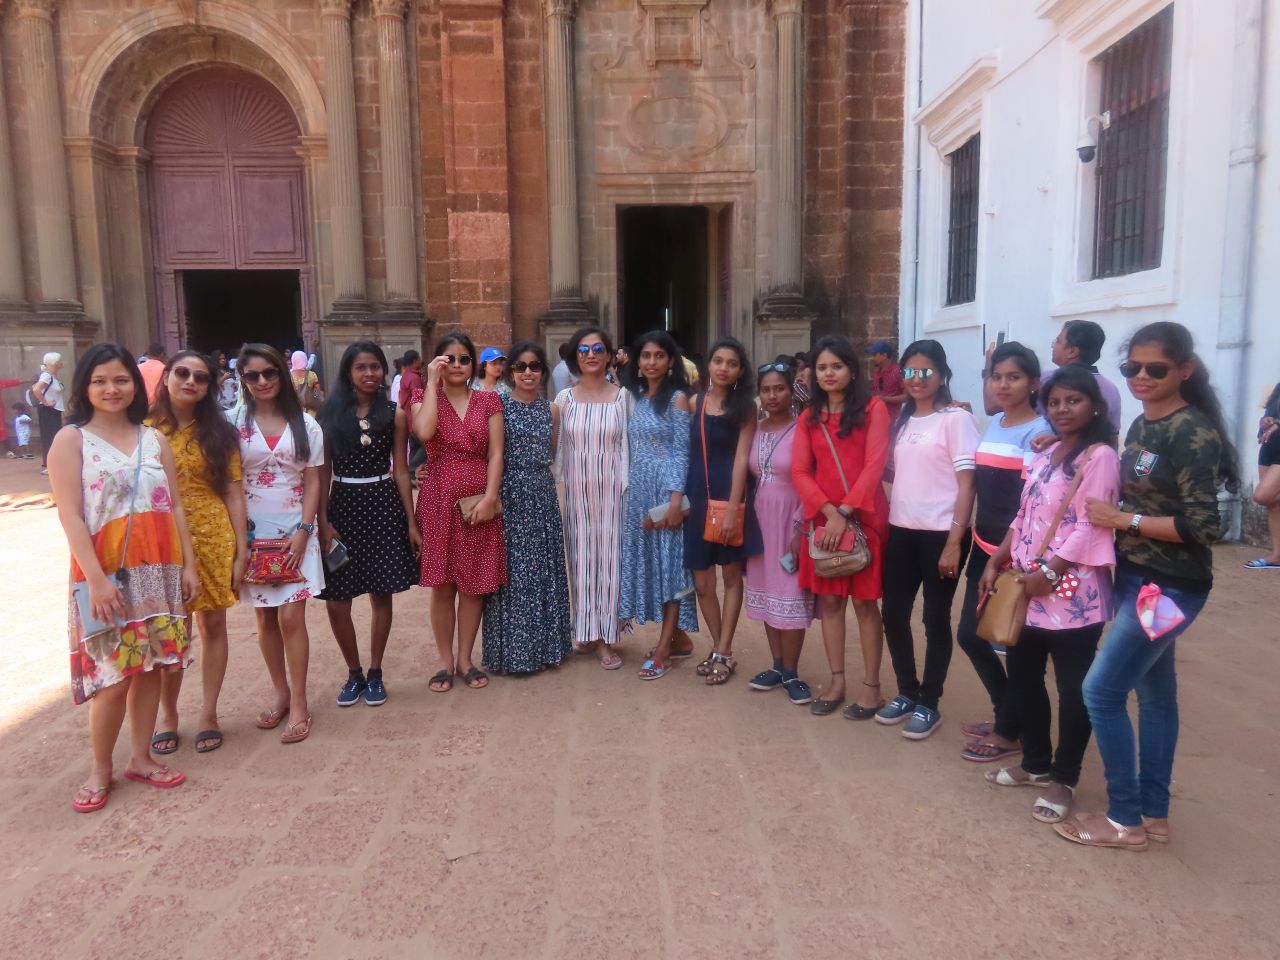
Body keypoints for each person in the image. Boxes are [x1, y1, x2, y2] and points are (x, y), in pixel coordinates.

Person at [1057, 321, 1239, 851]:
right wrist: (1064, 444)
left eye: (1155, 369)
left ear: (1185, 370)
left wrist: (1124, 521)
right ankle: (1153, 814)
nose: (1141, 376)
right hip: (1136, 578)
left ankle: (1124, 819)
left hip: (1168, 588)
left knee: (1101, 691)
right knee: (1156, 696)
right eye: (1131, 367)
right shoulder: (1142, 423)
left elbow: (1205, 525)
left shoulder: (1191, 431)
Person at [48, 343, 199, 812]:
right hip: (106, 576)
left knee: (152, 666)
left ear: (135, 385)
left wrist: (188, 565)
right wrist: (95, 580)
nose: (111, 389)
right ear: (84, 387)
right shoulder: (71, 440)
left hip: (159, 570)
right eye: (100, 381)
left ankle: (140, 757)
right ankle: (100, 769)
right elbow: (70, 515)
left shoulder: (153, 439)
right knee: (112, 677)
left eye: (120, 379)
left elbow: (175, 506)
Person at [978, 366, 1120, 824]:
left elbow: (1093, 523)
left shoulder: (1099, 457)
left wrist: (1052, 570)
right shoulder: (1045, 452)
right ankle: (1036, 762)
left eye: (1073, 400)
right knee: (1023, 677)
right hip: (1027, 583)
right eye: (1055, 402)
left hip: (1074, 593)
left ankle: (1064, 777)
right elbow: (1023, 515)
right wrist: (997, 558)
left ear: (1094, 406)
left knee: (1073, 689)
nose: (1062, 409)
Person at [954, 342, 1052, 762]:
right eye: (997, 376)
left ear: (1034, 382)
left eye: (1014, 377)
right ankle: (1007, 717)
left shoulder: (1040, 433)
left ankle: (1013, 732)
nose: (1003, 384)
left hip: (1015, 554)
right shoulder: (995, 422)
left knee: (1012, 642)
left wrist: (1006, 556)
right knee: (972, 635)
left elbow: (1033, 504)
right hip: (984, 546)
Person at [877, 339, 979, 739]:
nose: (916, 379)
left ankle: (929, 702)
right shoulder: (903, 420)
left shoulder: (956, 419)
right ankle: (907, 690)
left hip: (942, 534)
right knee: (893, 613)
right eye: (909, 371)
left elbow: (967, 484)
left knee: (934, 618)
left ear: (942, 375)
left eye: (925, 372)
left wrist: (955, 540)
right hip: (902, 530)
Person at [148, 351, 248, 755]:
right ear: (166, 377)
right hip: (160, 539)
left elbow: (233, 493)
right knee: (170, 631)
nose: (190, 381)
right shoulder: (143, 429)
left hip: (212, 536)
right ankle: (168, 716)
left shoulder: (220, 433)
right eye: (182, 373)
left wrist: (241, 551)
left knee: (213, 627)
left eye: (201, 377)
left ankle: (209, 713)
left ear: (210, 386)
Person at [791, 336, 891, 716]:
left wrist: (844, 512)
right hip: (824, 520)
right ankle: (836, 682)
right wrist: (828, 511)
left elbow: (875, 465)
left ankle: (871, 688)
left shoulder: (873, 409)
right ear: (813, 373)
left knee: (865, 603)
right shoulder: (808, 418)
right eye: (822, 367)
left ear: (851, 369)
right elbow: (800, 472)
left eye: (837, 366)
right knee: (831, 601)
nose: (829, 373)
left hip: (864, 518)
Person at [317, 341, 420, 707]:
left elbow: (402, 470)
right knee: (337, 599)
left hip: (383, 505)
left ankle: (375, 672)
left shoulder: (394, 414)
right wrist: (322, 521)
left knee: (381, 591)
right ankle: (354, 672)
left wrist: (411, 521)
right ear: (348, 372)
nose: (369, 373)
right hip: (342, 507)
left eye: (375, 366)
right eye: (361, 367)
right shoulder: (329, 415)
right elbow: (322, 471)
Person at [233, 343, 325, 745]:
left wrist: (305, 528)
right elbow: (231, 483)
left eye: (269, 372)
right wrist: (239, 539)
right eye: (252, 375)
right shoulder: (233, 424)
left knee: (291, 617)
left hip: (295, 529)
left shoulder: (306, 425)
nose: (262, 381)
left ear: (282, 374)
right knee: (265, 619)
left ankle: (300, 701)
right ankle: (281, 693)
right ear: (243, 379)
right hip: (253, 531)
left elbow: (314, 479)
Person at [412, 332, 505, 691]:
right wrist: (431, 383)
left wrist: (490, 497)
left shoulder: (488, 401)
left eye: (464, 359)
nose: (457, 364)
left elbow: (496, 453)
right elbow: (424, 431)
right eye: (448, 358)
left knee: (473, 585)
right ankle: (444, 661)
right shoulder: (424, 397)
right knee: (442, 585)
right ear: (437, 361)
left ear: (473, 364)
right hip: (438, 500)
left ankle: (465, 659)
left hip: (478, 500)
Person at [483, 341, 572, 674]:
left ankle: (546, 649)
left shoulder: (552, 410)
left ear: (543, 371)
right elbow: (488, 452)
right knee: (513, 571)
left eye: (534, 366)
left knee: (544, 568)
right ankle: (514, 653)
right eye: (520, 367)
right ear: (511, 372)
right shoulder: (498, 405)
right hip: (509, 494)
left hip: (541, 493)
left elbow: (552, 452)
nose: (528, 372)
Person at [617, 331, 698, 680]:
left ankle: (663, 650)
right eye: (646, 355)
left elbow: (681, 451)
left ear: (670, 361)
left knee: (670, 569)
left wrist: (675, 500)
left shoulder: (677, 398)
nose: (651, 362)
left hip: (666, 492)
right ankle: (679, 640)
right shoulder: (639, 398)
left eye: (659, 356)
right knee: (655, 566)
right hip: (640, 491)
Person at [685, 337, 762, 685]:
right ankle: (721, 649)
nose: (723, 368)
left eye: (731, 363)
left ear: (740, 371)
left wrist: (733, 508)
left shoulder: (745, 409)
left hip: (731, 496)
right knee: (703, 582)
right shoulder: (694, 403)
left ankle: (723, 649)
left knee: (731, 577)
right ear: (709, 364)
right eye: (718, 360)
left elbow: (742, 458)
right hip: (698, 497)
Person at [554, 325, 632, 667]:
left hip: (614, 492)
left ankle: (605, 637)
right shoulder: (564, 400)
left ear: (609, 355)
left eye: (598, 349)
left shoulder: (623, 397)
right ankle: (586, 630)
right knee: (581, 561)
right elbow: (555, 448)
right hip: (578, 493)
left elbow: (631, 446)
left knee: (611, 561)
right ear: (575, 357)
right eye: (583, 350)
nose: (591, 355)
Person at [745, 360, 816, 704]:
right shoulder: (755, 429)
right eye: (766, 389)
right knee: (766, 592)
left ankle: (792, 671)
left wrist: (801, 527)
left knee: (791, 595)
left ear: (792, 391)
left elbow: (812, 479)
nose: (772, 395)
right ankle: (776, 665)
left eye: (779, 388)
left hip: (792, 519)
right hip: (761, 521)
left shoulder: (804, 428)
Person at [1046, 320, 1124, 433]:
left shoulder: (1048, 379)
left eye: (1058, 341)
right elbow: (1114, 432)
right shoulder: (1111, 388)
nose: (1052, 346)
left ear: (1072, 351)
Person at [1245, 381, 1280, 569]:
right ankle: (1277, 556)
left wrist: (1277, 423)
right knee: (1273, 504)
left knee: (1262, 496)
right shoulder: (1278, 387)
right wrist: (1264, 423)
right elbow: (1268, 416)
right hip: (1269, 449)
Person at [33, 351, 66, 474]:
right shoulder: (46, 376)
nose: (62, 363)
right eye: (59, 361)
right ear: (54, 363)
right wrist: (45, 402)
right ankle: (48, 465)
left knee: (54, 437)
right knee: (49, 437)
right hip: (48, 410)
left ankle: (53, 463)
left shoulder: (52, 376)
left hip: (54, 409)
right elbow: (36, 389)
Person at [867, 340, 906, 409]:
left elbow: (907, 396)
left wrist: (885, 399)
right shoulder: (877, 373)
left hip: (893, 415)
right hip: (877, 413)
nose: (872, 358)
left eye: (874, 355)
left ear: (884, 356)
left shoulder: (898, 372)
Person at [290, 350, 324, 415]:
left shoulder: (288, 376)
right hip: (309, 411)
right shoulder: (312, 375)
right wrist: (314, 397)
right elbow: (317, 391)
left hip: (294, 410)